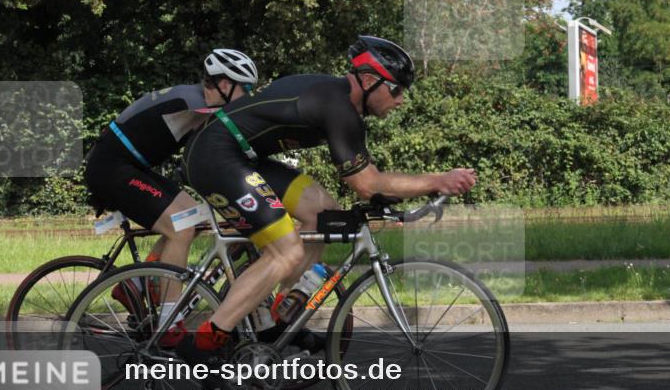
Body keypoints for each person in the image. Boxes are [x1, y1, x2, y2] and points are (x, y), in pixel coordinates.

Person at [175, 36, 477, 365]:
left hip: (242, 156)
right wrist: (436, 180)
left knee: (324, 213)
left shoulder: (341, 102)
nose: (401, 100)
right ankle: (204, 343)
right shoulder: (337, 106)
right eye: (396, 90)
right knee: (286, 250)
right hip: (214, 154)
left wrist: (416, 190)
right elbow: (367, 184)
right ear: (368, 80)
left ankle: (277, 322)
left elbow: (370, 180)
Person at [83, 49, 258, 342]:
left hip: (127, 165)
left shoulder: (198, 100)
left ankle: (138, 283)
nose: (249, 96)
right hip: (113, 168)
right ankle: (169, 320)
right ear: (226, 86)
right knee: (182, 224)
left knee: (193, 214)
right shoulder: (197, 104)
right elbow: (231, 141)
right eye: (247, 89)